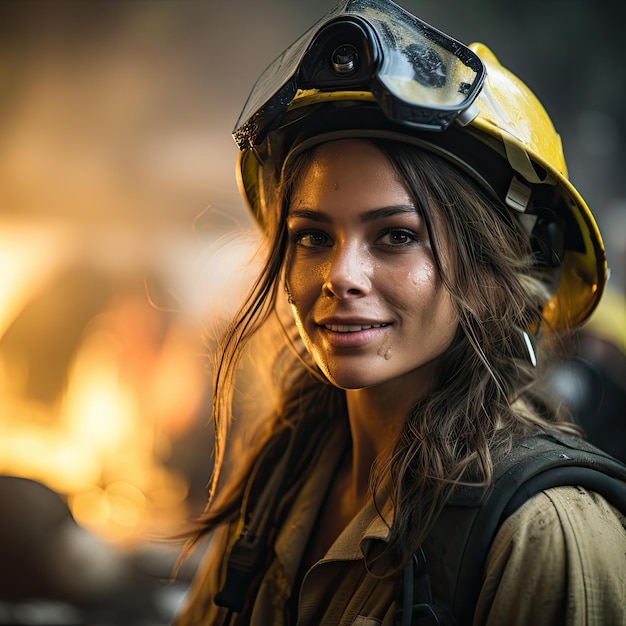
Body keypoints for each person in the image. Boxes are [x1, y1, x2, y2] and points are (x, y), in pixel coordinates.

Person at [173, 1, 626, 624]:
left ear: (497, 271)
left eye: (396, 236)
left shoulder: (543, 535)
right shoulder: (283, 475)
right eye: (312, 236)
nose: (339, 276)